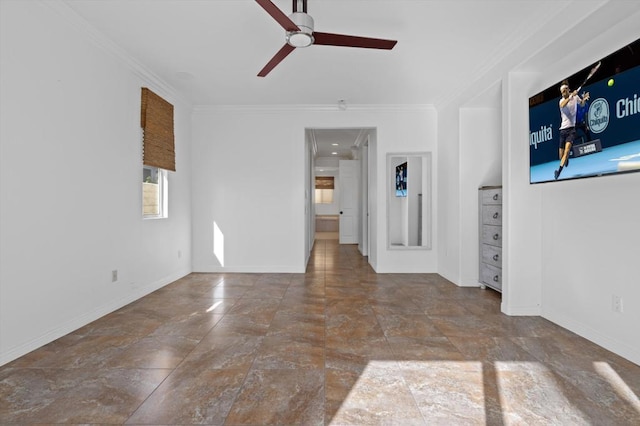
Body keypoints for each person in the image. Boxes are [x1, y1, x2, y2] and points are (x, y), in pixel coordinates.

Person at [555, 83, 590, 180]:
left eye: (566, 89)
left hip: (571, 130)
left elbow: (581, 104)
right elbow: (563, 105)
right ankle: (565, 160)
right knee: (561, 157)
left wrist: (584, 99)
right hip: (563, 130)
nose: (565, 91)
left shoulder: (575, 97)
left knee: (566, 152)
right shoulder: (561, 101)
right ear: (562, 93)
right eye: (563, 91)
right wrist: (571, 96)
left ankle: (558, 171)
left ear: (568, 89)